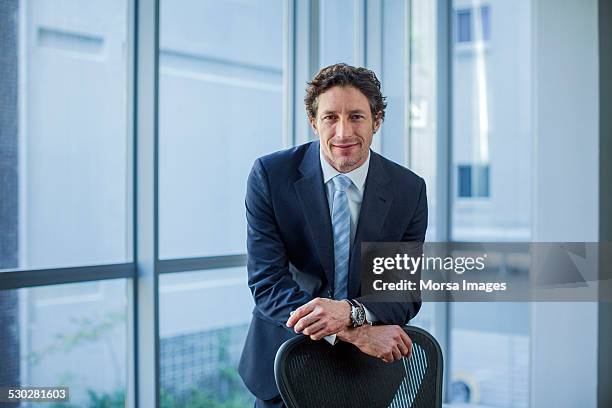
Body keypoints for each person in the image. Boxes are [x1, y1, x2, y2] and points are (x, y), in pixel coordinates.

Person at [238, 63, 428, 408]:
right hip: (285, 365)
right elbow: (267, 283)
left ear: (377, 121)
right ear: (314, 122)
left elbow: (403, 293)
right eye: (330, 118)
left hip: (366, 375)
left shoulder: (408, 190)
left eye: (356, 116)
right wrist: (353, 329)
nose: (343, 133)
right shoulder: (270, 175)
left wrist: (349, 313)